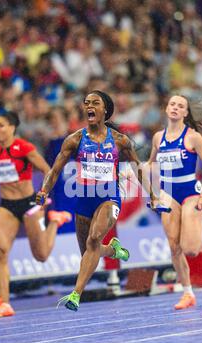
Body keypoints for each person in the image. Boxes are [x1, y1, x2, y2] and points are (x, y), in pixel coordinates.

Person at [36, 90, 157, 311]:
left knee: (93, 240)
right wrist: (44, 191)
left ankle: (75, 294)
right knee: (89, 252)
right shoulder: (74, 140)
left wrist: (153, 194)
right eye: (86, 103)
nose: (89, 106)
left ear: (105, 111)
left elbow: (137, 168)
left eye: (95, 103)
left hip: (109, 198)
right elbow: (54, 171)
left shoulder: (120, 140)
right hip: (83, 201)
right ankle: (111, 249)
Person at [0, 111, 71, 317]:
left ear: (12, 127)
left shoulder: (25, 148)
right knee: (2, 252)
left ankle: (54, 222)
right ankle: (4, 303)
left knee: (41, 255)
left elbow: (47, 169)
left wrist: (43, 193)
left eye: (1, 125)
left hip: (30, 204)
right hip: (7, 206)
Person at [147, 95, 202, 310]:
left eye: (180, 106)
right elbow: (150, 165)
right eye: (172, 104)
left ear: (186, 113)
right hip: (168, 194)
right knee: (174, 248)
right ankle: (188, 293)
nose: (175, 108)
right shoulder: (158, 138)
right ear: (166, 109)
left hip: (190, 193)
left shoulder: (193, 137)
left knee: (191, 250)